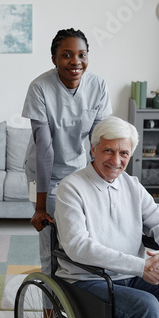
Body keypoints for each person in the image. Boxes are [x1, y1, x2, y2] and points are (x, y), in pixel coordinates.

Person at [54, 116, 159, 318]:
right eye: (108, 151)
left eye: (123, 153)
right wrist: (141, 266)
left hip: (133, 275)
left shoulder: (132, 185)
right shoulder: (71, 187)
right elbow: (78, 246)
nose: (115, 161)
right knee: (147, 306)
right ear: (93, 149)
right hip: (88, 279)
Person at [21, 28, 112, 277]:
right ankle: (49, 310)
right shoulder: (40, 87)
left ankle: (77, 299)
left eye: (82, 54)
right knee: (50, 243)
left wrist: (103, 184)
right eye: (66, 55)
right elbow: (44, 148)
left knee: (82, 237)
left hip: (78, 170)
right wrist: (40, 207)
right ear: (54, 58)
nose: (75, 62)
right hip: (42, 174)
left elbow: (99, 141)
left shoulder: (98, 85)